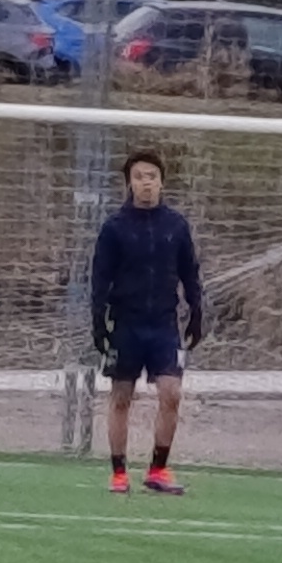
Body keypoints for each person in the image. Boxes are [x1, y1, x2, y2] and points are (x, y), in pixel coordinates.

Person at [89, 148, 207, 493]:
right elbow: (100, 278)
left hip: (163, 325)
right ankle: (118, 472)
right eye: (139, 177)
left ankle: (158, 470)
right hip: (126, 323)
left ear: (162, 182)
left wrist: (196, 312)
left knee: (172, 393)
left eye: (152, 176)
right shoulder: (114, 228)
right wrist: (98, 321)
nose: (146, 183)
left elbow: (190, 273)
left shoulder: (176, 225)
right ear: (129, 183)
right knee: (121, 396)